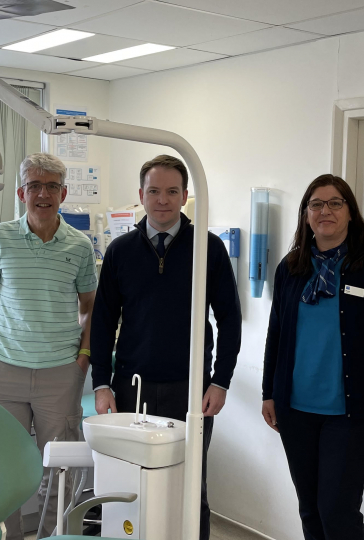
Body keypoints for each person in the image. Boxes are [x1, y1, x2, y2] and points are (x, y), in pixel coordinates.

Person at [90, 154, 242, 540]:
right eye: (154, 191)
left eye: (172, 191)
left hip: (189, 392)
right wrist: (101, 383)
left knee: (192, 487)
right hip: (130, 389)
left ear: (185, 196)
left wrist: (220, 381)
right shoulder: (120, 251)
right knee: (130, 485)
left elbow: (230, 319)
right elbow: (104, 321)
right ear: (141, 195)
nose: (163, 200)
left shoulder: (208, 248)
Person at [262, 174, 364, 540]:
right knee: (310, 509)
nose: (325, 211)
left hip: (351, 415)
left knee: (337, 510)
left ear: (350, 213)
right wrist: (269, 392)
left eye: (335, 203)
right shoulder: (291, 268)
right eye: (316, 204)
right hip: (295, 411)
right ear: (306, 214)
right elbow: (276, 334)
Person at [0, 152, 97, 540]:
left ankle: (49, 537)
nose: (42, 193)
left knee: (60, 469)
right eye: (34, 186)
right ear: (21, 192)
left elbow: (90, 308)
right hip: (3, 371)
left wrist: (82, 360)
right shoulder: (0, 237)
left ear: (63, 193)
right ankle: (8, 535)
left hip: (60, 374)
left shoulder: (79, 246)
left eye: (51, 186)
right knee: (3, 466)